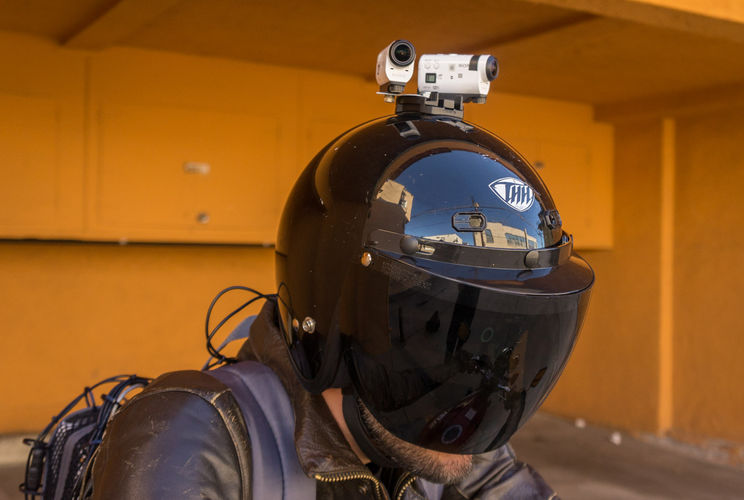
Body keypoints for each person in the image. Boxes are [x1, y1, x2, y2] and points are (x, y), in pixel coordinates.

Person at [89, 102, 594, 499]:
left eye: (500, 346)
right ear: (330, 330)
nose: (477, 390)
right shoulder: (190, 435)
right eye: (436, 339)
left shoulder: (463, 442)